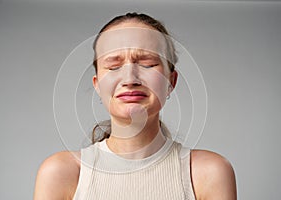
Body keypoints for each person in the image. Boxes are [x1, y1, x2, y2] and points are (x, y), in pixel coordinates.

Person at [34, 13, 237, 200]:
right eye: (114, 66)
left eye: (147, 64)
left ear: (171, 81)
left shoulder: (208, 172)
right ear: (97, 84)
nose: (130, 79)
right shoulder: (61, 173)